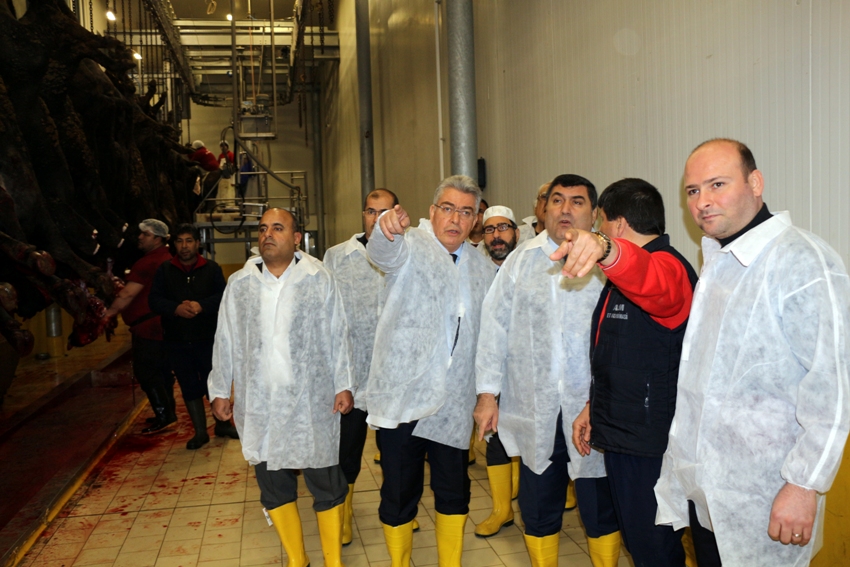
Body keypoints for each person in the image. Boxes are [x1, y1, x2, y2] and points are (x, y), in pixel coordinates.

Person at [653, 139, 850, 566]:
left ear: (755, 183)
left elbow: (833, 388)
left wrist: (803, 485)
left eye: (717, 184)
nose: (702, 201)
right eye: (693, 191)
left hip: (770, 494)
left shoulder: (803, 262)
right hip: (710, 491)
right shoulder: (719, 263)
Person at [473, 175, 621, 567]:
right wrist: (487, 394)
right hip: (534, 407)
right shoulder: (521, 261)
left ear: (594, 213)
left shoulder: (609, 264)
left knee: (600, 506)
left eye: (577, 201)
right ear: (544, 209)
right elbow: (494, 328)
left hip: (591, 408)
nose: (565, 209)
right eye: (557, 200)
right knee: (538, 506)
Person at [558, 179, 697, 566]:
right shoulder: (624, 278)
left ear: (618, 224)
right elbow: (619, 354)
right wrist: (593, 407)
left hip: (648, 443)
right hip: (625, 433)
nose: (600, 231)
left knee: (654, 549)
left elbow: (652, 281)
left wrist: (606, 250)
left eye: (602, 223)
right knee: (640, 543)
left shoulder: (667, 267)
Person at [208, 208, 354, 567]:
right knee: (273, 485)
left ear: (296, 238)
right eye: (262, 229)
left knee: (327, 482)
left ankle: (333, 561)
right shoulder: (240, 284)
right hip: (262, 405)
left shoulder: (318, 278)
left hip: (312, 403)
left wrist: (344, 384)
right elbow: (225, 338)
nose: (267, 235)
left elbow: (338, 334)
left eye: (277, 228)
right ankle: (298, 558)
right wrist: (220, 389)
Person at [364, 175, 496, 567]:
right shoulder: (410, 246)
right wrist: (386, 228)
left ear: (475, 220)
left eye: (466, 212)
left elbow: (489, 336)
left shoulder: (481, 267)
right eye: (448, 208)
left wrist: (487, 393)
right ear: (432, 211)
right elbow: (383, 254)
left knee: (454, 491)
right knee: (399, 492)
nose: (456, 219)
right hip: (404, 398)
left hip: (454, 403)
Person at [323, 188, 399, 546]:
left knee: (396, 451)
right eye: (370, 211)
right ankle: (344, 511)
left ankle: (398, 508)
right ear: (363, 214)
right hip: (351, 373)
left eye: (384, 212)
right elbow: (326, 315)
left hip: (393, 374)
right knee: (347, 449)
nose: (376, 219)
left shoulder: (409, 253)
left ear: (396, 214)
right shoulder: (338, 256)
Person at [148, 223, 237, 451]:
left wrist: (201, 306)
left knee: (213, 382)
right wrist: (175, 308)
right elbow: (154, 300)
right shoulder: (165, 270)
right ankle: (200, 432)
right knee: (188, 385)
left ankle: (223, 425)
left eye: (189, 241)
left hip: (208, 340)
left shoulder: (211, 269)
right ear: (174, 244)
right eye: (180, 241)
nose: (184, 246)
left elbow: (224, 296)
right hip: (177, 340)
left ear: (197, 243)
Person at [473, 205, 521, 538]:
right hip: (489, 372)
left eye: (503, 228)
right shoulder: (475, 271)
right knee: (496, 439)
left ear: (516, 232)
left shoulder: (531, 266)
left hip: (527, 371)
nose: (496, 235)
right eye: (489, 229)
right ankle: (502, 509)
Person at [105, 219, 176, 434]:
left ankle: (164, 415)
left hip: (149, 327)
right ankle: (168, 412)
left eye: (145, 234)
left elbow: (128, 294)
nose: (140, 237)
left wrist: (109, 313)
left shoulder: (149, 262)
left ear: (158, 238)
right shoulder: (166, 258)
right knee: (162, 371)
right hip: (162, 325)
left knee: (146, 372)